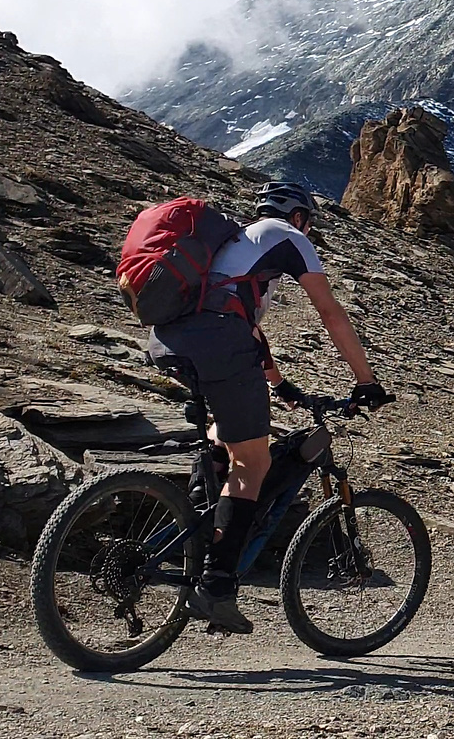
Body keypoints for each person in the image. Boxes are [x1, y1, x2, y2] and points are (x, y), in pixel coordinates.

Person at [146, 181, 391, 633]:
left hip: (168, 342)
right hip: (219, 343)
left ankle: (200, 529)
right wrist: (366, 381)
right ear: (300, 217)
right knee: (252, 461)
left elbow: (249, 331)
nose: (309, 231)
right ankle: (217, 586)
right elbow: (331, 312)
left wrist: (280, 384)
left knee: (225, 437)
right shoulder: (289, 237)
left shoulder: (230, 246)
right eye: (309, 224)